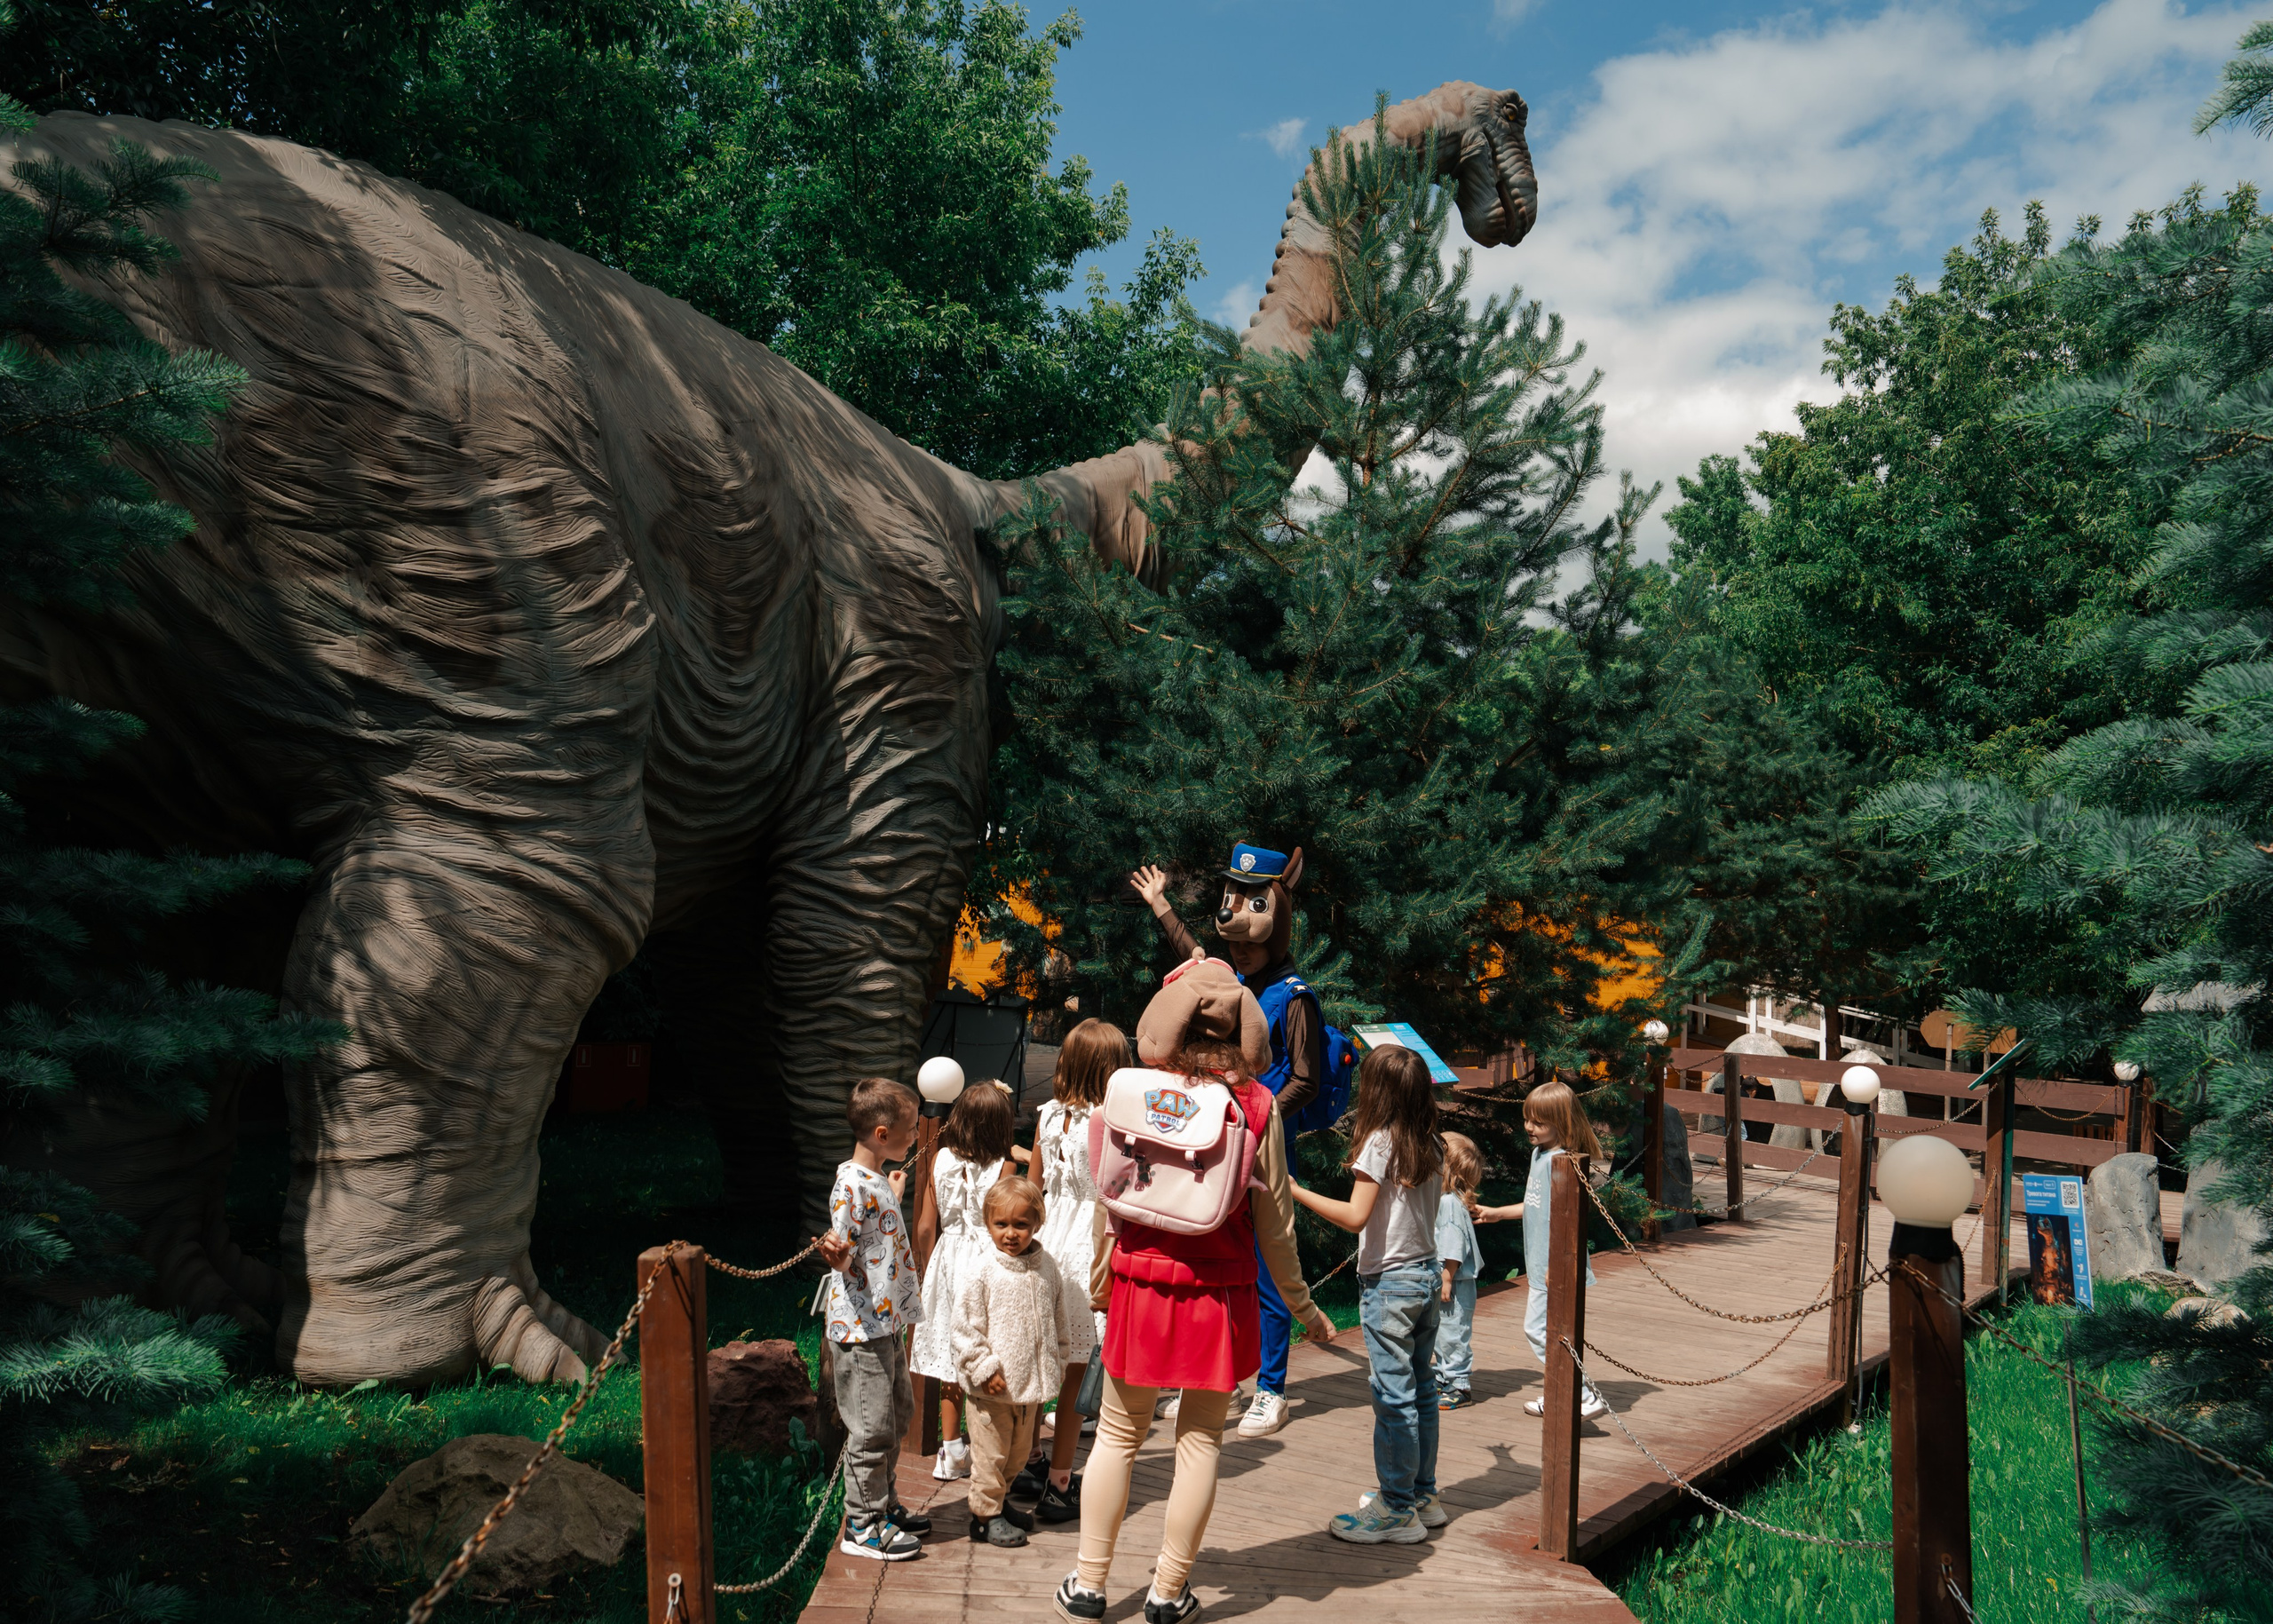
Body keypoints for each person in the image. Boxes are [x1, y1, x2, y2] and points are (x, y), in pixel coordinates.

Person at [1056, 955, 1334, 1624]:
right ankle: (1167, 1591)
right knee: (1200, 1441)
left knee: (1117, 1434)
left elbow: (1109, 1199)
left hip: (1138, 1281)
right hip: (1220, 1290)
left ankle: (1089, 1586)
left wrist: (1101, 1280)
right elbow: (1275, 1224)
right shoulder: (1256, 1104)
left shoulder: (1133, 1089)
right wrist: (1302, 1304)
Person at [1129, 844, 1326, 1439]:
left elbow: (1307, 1078)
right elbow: (1194, 955)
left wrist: (1254, 1117)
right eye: (1234, 944)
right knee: (1206, 1258)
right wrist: (1161, 904)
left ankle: (1271, 1388)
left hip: (1260, 1145)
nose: (1239, 951)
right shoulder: (1228, 980)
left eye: (1250, 945)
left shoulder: (1295, 997)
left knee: (1267, 1264)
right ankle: (1211, 1377)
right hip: (1211, 1143)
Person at [1289, 1045, 1445, 1543]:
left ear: (1376, 1091)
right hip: (1425, 1276)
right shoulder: (1432, 1142)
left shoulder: (1381, 1142)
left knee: (1393, 1397)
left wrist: (1295, 1191)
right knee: (1422, 1390)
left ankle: (1396, 1508)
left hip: (1391, 1286)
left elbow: (1356, 1216)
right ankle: (1421, 1495)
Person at [1013, 1018, 1126, 1523]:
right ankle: (1060, 1484)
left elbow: (1033, 1187)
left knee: (1041, 1358)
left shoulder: (1048, 1115)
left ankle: (1029, 1460)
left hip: (1048, 1239)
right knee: (1076, 1368)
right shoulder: (1110, 1121)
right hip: (1088, 1243)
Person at [820, 1078, 933, 1561]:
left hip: (885, 1323)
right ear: (883, 1134)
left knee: (897, 1414)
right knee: (871, 1428)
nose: (916, 1136)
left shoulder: (873, 1180)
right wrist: (836, 1255)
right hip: (860, 1327)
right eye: (911, 1129)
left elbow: (874, 1232)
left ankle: (883, 1504)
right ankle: (862, 1524)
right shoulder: (850, 1185)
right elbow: (844, 1252)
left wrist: (892, 1191)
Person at [954, 1174, 1076, 1548]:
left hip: (1027, 1390)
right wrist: (984, 1368)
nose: (1010, 1233)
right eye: (1001, 1224)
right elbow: (965, 1328)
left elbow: (1058, 1320)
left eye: (1021, 1224)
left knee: (1017, 1456)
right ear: (988, 1223)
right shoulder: (983, 1271)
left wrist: (1058, 1361)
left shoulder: (1046, 1267)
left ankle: (1000, 1503)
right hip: (992, 1391)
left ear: (1037, 1223)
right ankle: (984, 1517)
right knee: (991, 1457)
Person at [1474, 1080, 1604, 1419]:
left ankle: (1581, 1394)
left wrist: (1555, 1264)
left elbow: (1566, 1218)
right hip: (1542, 1265)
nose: (1529, 1127)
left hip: (1555, 1266)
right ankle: (1563, 1394)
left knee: (1539, 1330)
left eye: (1538, 1122)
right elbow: (1535, 1205)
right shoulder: (1541, 1155)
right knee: (1554, 1332)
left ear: (1562, 1122)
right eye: (1527, 1119)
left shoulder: (1562, 1163)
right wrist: (1498, 1213)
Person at [910, 1079, 1015, 1478]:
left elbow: (925, 1227)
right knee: (988, 1355)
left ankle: (951, 1450)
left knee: (951, 1355)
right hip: (988, 1265)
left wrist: (928, 1267)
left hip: (948, 1259)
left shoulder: (939, 1159)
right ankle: (989, 1447)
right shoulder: (1005, 1167)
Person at [1435, 1131, 1485, 1410]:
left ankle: (1459, 1384)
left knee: (1453, 1334)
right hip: (1448, 1282)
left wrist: (1446, 1277)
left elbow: (1454, 1244)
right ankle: (1444, 1376)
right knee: (1441, 1334)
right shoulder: (1444, 1200)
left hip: (1454, 1284)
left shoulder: (1449, 1204)